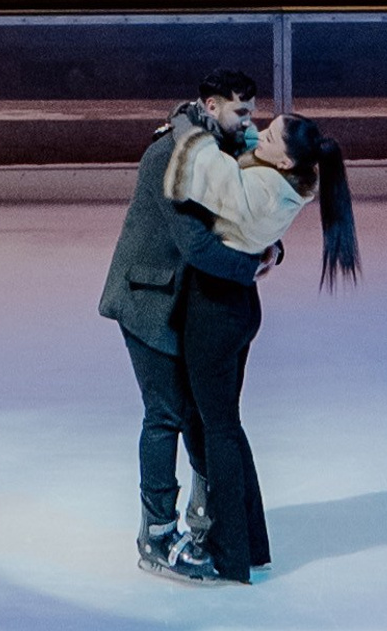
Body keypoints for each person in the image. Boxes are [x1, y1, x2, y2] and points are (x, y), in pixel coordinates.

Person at [159, 110, 361, 586]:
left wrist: (187, 129)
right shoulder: (289, 179)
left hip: (216, 311)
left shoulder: (263, 190)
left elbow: (211, 174)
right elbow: (244, 151)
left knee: (219, 430)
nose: (257, 133)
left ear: (286, 158)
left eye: (268, 135)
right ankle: (250, 542)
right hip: (237, 308)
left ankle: (231, 554)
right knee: (225, 426)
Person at [96, 70, 268, 582]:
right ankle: (155, 533)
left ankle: (202, 520)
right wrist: (251, 266)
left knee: (199, 414)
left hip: (184, 302)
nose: (250, 123)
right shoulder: (172, 155)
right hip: (146, 300)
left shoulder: (216, 151)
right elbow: (194, 242)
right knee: (166, 414)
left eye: (252, 112)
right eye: (242, 113)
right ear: (211, 108)